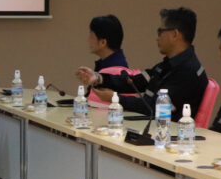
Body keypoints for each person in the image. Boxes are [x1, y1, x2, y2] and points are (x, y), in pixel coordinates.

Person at [77, 7, 208, 118]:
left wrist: (116, 99)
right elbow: (134, 82)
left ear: (175, 34)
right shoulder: (168, 64)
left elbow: (155, 107)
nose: (157, 37)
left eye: (160, 32)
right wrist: (98, 78)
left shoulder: (188, 70)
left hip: (167, 133)